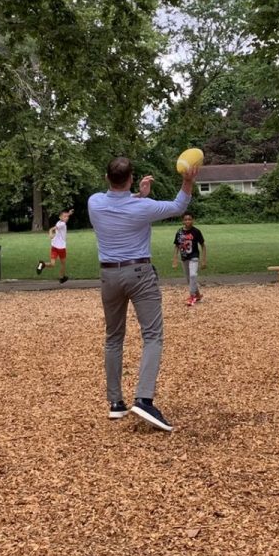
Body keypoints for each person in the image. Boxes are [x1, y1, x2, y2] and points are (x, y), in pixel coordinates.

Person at [88, 157, 197, 432]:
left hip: (109, 276)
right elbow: (178, 206)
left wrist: (138, 195)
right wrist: (187, 180)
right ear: (131, 178)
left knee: (113, 337)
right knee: (152, 335)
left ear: (106, 177)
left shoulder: (94, 203)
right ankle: (144, 399)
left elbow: (117, 203)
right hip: (139, 273)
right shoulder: (142, 208)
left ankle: (116, 402)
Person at [172, 213, 207, 306]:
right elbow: (177, 246)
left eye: (190, 219)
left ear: (193, 220)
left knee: (193, 275)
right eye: (186, 219)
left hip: (194, 256)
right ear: (183, 221)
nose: (188, 221)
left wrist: (204, 260)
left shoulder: (196, 231)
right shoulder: (179, 232)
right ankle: (198, 294)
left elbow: (203, 245)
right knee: (189, 279)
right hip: (184, 257)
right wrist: (175, 259)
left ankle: (192, 296)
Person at [37, 208, 71, 283]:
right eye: (65, 216)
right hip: (61, 248)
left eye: (67, 216)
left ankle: (42, 264)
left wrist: (69, 213)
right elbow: (52, 229)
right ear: (60, 217)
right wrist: (50, 233)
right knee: (63, 264)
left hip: (54, 247)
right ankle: (62, 278)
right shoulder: (62, 224)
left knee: (52, 264)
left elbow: (62, 218)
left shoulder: (59, 222)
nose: (67, 218)